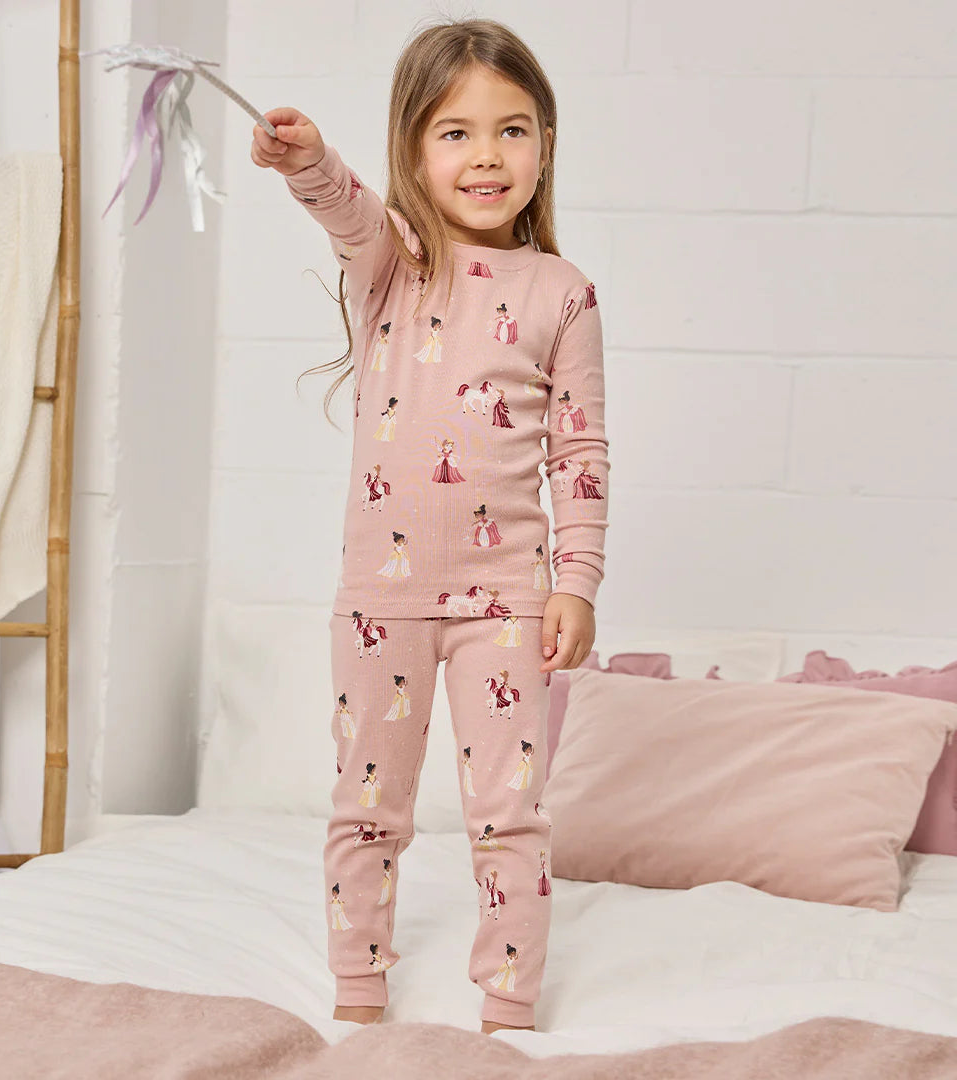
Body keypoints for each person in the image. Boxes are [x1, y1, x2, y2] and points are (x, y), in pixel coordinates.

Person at [249, 17, 609, 1036]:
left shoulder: (565, 291)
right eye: (455, 133)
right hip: (384, 600)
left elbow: (580, 451)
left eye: (512, 130)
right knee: (369, 806)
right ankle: (358, 993)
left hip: (508, 602)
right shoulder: (393, 263)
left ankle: (509, 1006)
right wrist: (307, 159)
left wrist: (575, 583)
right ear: (413, 149)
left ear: (544, 146)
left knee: (510, 814)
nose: (487, 156)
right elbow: (343, 204)